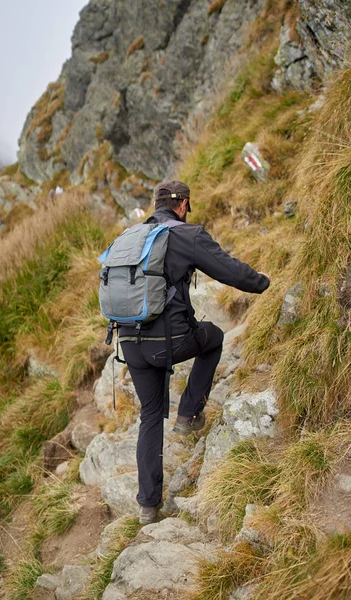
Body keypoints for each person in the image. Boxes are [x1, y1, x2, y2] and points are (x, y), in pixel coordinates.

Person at [119, 180, 270, 525]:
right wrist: (264, 282)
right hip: (168, 342)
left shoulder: (131, 237)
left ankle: (147, 506)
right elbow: (229, 270)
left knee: (151, 415)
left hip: (129, 343)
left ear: (155, 203)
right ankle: (189, 414)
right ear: (183, 204)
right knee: (213, 337)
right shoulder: (186, 234)